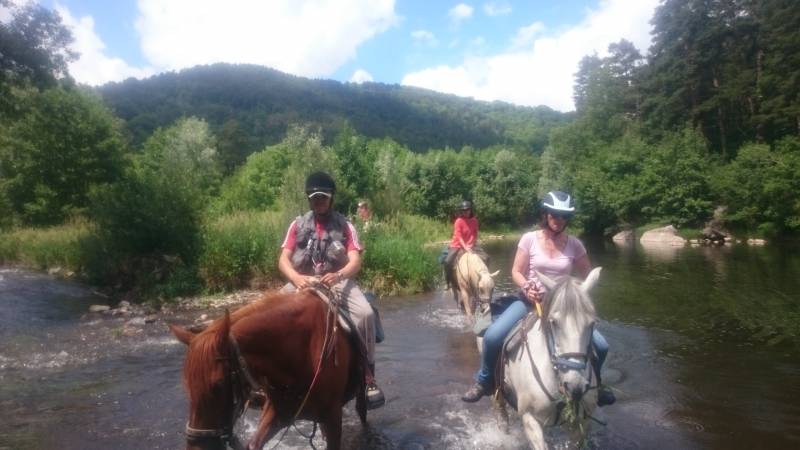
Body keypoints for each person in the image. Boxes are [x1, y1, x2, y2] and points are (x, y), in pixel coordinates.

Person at [461, 191, 615, 407]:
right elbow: (516, 271)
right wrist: (526, 286)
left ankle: (597, 386)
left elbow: (586, 274)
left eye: (563, 215)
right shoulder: (529, 239)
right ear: (545, 214)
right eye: (554, 214)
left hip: (562, 307)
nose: (558, 219)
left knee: (602, 345)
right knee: (493, 337)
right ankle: (484, 381)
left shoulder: (575, 245)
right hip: (529, 302)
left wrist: (575, 292)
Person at [278, 171, 385, 409]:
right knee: (268, 312)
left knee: (366, 314)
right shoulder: (297, 225)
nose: (319, 202)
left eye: (323, 198)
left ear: (331, 198)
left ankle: (368, 376)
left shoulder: (346, 225)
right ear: (309, 199)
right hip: (302, 280)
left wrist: (339, 274)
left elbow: (355, 261)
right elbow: (283, 260)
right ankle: (270, 375)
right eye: (315, 198)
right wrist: (296, 277)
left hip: (337, 281)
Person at [442, 200, 481, 295]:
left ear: (470, 210)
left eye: (467, 210)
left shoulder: (474, 220)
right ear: (461, 211)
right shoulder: (458, 221)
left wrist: (470, 244)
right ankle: (447, 282)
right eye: (463, 210)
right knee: (447, 262)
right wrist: (465, 247)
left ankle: (483, 278)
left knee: (486, 258)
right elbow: (459, 236)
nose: (466, 212)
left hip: (470, 244)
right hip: (457, 245)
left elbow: (474, 234)